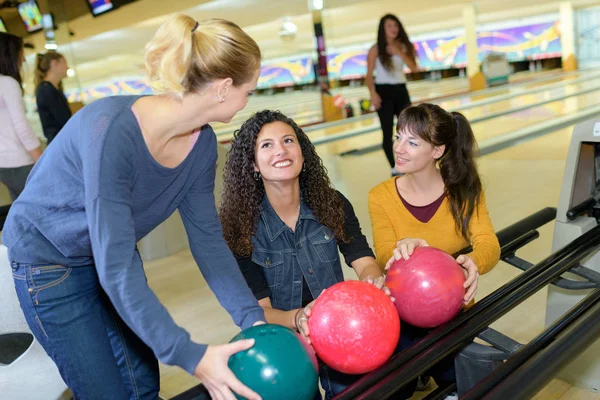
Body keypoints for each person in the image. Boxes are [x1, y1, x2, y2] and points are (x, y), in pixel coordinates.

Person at [4, 15, 268, 400]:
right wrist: (191, 355)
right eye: (250, 90)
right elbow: (116, 266)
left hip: (105, 255)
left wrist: (252, 321)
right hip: (48, 264)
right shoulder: (111, 133)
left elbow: (209, 243)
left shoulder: (202, 147)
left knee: (142, 382)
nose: (249, 100)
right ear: (224, 88)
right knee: (106, 393)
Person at [219, 110, 389, 399]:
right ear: (253, 164)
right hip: (285, 341)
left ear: (302, 151)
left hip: (340, 327)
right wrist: (299, 318)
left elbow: (365, 262)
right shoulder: (240, 229)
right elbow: (259, 312)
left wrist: (373, 281)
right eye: (267, 145)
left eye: (288, 140)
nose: (281, 150)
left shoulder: (332, 204)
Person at [368, 103, 501, 398]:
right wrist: (401, 250)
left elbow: (489, 244)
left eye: (413, 142)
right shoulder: (380, 195)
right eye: (398, 137)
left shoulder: (464, 190)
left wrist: (471, 262)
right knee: (390, 388)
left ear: (437, 151)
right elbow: (383, 253)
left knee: (469, 383)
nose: (399, 148)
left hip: (451, 308)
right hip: (402, 310)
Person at [365, 14, 418, 176]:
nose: (393, 29)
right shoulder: (375, 49)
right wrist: (373, 94)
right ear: (383, 29)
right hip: (383, 92)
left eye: (395, 25)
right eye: (389, 26)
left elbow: (415, 69)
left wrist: (399, 53)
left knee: (410, 130)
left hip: (401, 91)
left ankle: (411, 163)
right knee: (387, 133)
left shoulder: (403, 46)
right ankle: (395, 167)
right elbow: (368, 75)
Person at [0, 32, 42, 201]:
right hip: (20, 162)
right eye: (21, 53)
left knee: (22, 214)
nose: (23, 60)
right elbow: (21, 126)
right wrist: (41, 159)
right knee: (44, 210)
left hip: (3, 165)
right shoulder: (8, 83)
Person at [35, 51, 72, 144]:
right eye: (64, 63)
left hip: (62, 141)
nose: (67, 67)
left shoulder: (53, 89)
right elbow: (63, 120)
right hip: (59, 142)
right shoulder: (46, 90)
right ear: (54, 63)